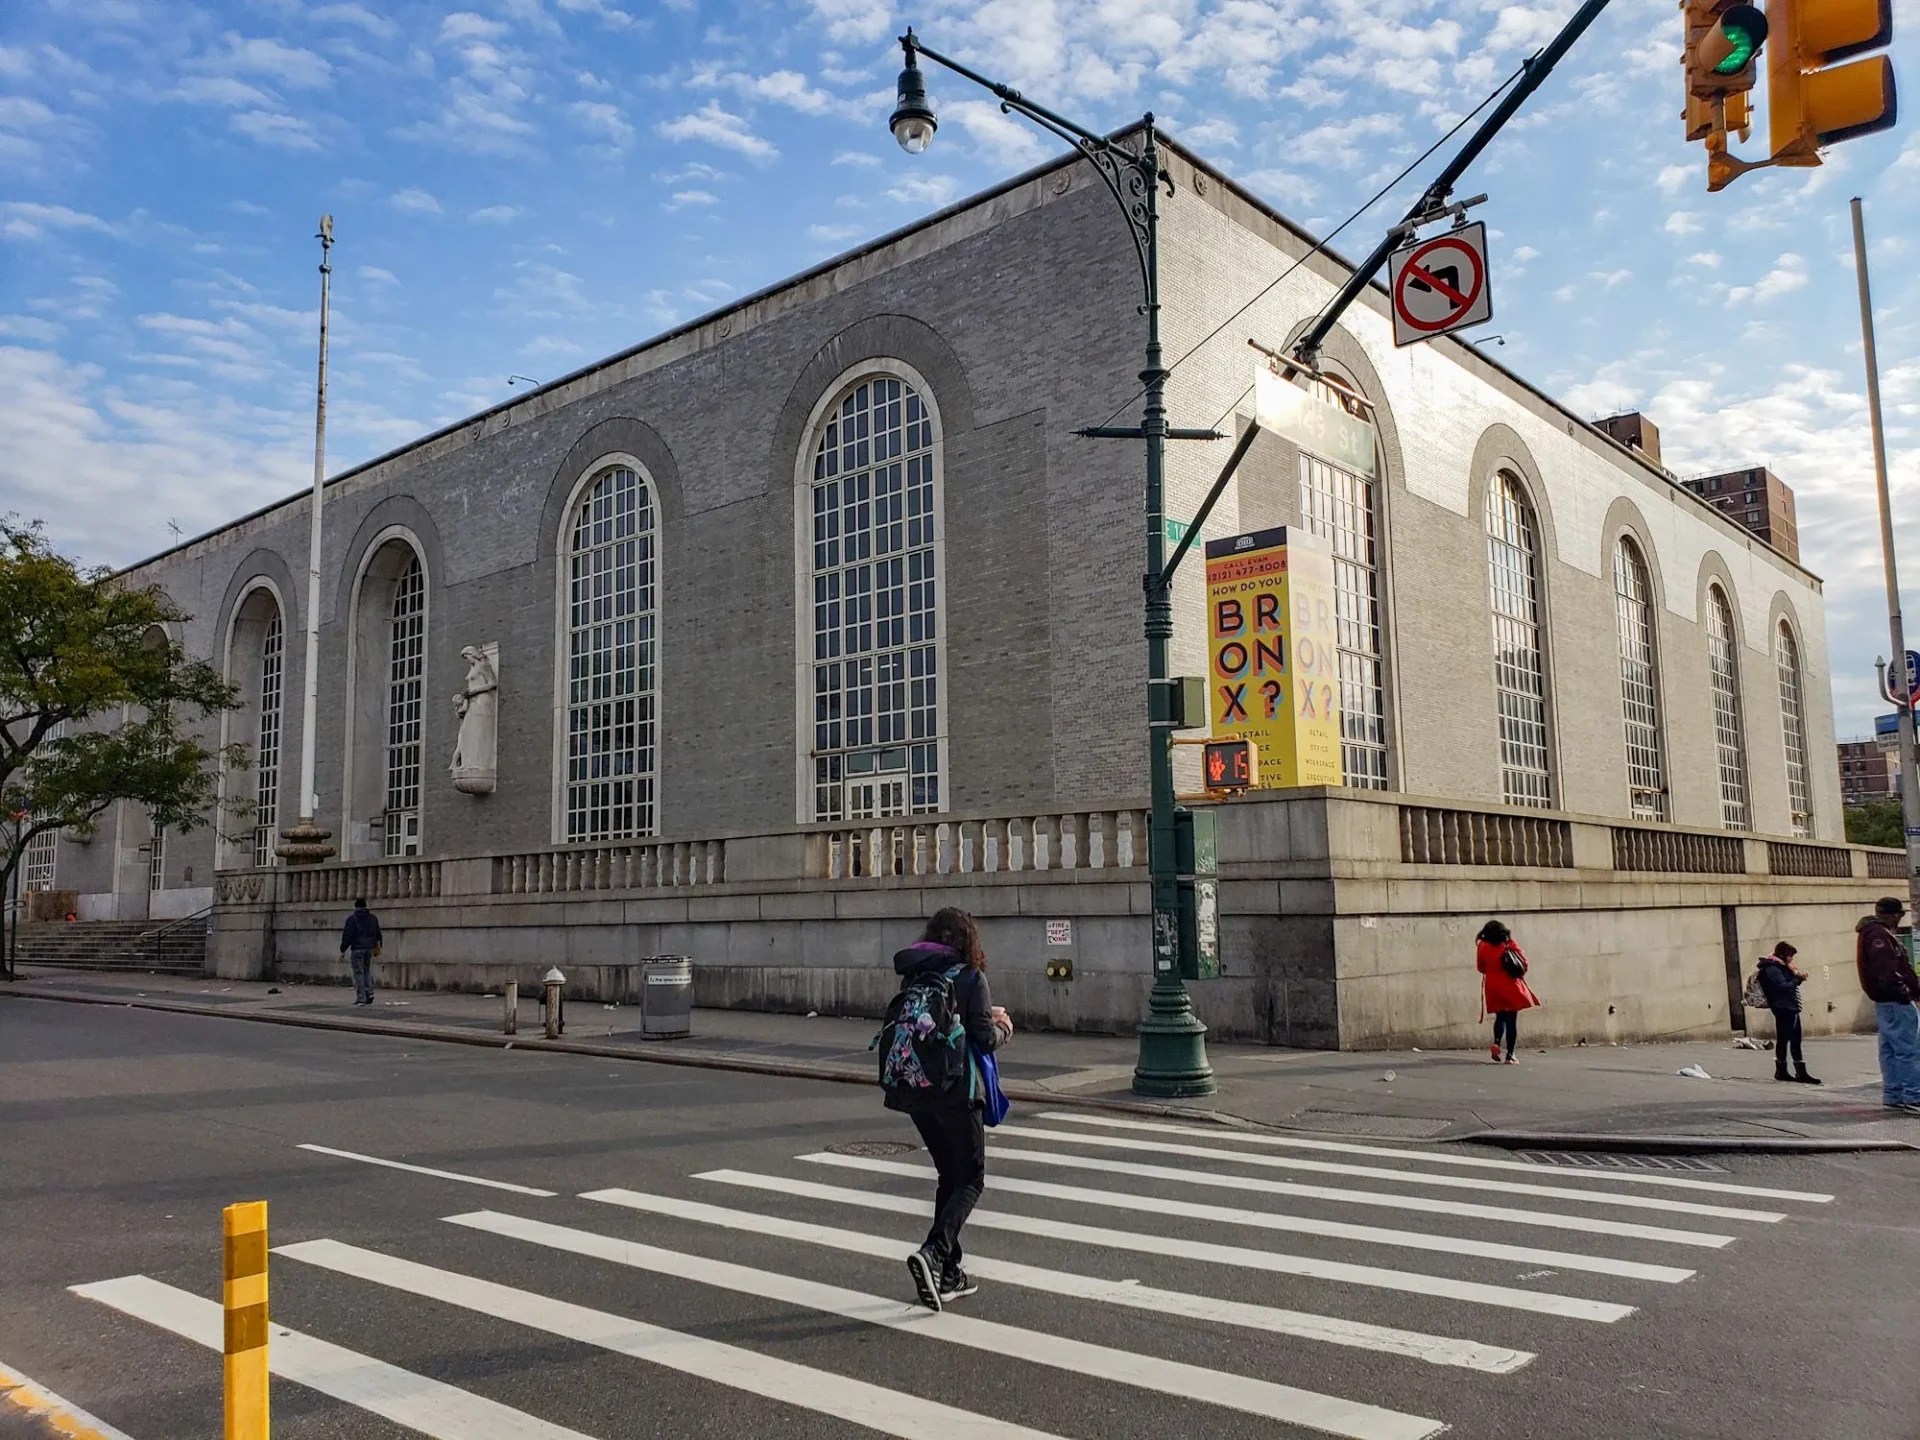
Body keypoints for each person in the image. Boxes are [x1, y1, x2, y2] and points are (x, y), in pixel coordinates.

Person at [881, 907, 1012, 1311]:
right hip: (957, 1090)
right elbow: (984, 1040)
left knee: (948, 1175)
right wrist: (1002, 1025)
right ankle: (935, 1252)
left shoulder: (917, 975)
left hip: (916, 1089)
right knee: (971, 1178)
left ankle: (948, 1272)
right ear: (968, 940)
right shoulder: (972, 977)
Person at [1857, 895, 1920, 1113]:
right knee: (1907, 1049)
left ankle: (1894, 1094)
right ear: (1894, 915)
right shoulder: (1879, 936)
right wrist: (1905, 991)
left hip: (1886, 1000)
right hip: (1895, 1000)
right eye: (1899, 915)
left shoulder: (1872, 933)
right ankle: (1913, 1096)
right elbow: (1887, 970)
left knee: (1891, 1049)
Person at [1475, 919, 1538, 1065]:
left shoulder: (1482, 946)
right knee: (1511, 1020)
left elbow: (1480, 967)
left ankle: (1496, 1042)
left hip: (1492, 986)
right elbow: (1523, 963)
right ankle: (1510, 1055)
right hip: (1510, 985)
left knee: (1500, 1016)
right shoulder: (1508, 943)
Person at [1756, 941, 1819, 1084]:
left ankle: (1796, 1070)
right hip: (1783, 1007)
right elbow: (1782, 987)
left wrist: (1798, 978)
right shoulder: (1772, 969)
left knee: (1794, 1039)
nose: (1792, 959)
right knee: (1785, 1039)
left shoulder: (1781, 967)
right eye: (1790, 956)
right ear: (1783, 954)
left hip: (1790, 1006)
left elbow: (1788, 985)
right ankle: (1784, 1070)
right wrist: (1797, 979)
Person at [339, 897, 383, 1007]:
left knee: (359, 972)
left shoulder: (352, 919)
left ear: (356, 906)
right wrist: (378, 946)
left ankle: (361, 997)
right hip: (369, 947)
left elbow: (347, 935)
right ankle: (369, 993)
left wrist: (343, 949)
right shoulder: (373, 918)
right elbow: (378, 933)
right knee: (367, 970)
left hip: (358, 948)